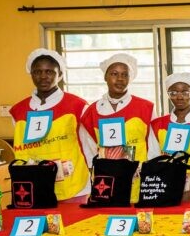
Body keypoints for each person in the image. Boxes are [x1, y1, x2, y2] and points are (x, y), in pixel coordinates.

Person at [10, 49, 90, 201]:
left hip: (72, 185)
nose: (43, 76)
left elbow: (88, 145)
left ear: (59, 74)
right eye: (37, 71)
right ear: (31, 74)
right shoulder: (17, 111)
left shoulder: (78, 106)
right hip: (32, 184)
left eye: (49, 71)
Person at [80, 53, 155, 201]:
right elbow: (88, 150)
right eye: (114, 74)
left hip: (138, 178)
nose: (120, 79)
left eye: (124, 75)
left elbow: (153, 146)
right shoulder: (91, 112)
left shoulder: (146, 108)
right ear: (105, 77)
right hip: (105, 180)